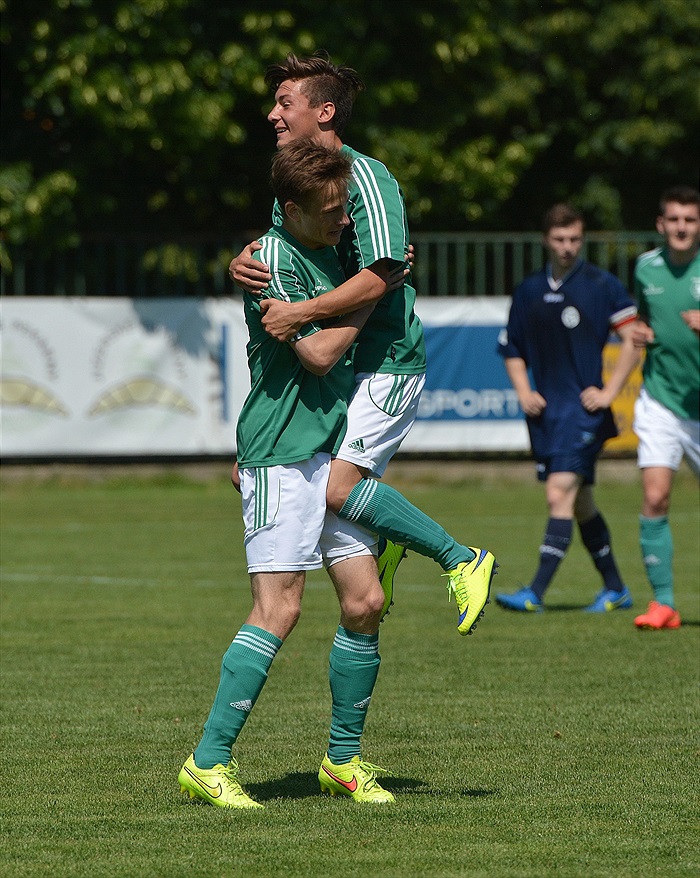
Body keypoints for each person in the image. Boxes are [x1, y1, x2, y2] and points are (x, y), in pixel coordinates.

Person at [229, 52, 497, 636]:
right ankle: (388, 541)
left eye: (285, 103)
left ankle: (463, 558)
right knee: (356, 586)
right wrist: (242, 264)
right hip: (337, 366)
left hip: (385, 361)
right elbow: (280, 251)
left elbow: (384, 273)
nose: (272, 114)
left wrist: (302, 311)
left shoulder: (367, 178)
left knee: (337, 484)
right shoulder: (296, 186)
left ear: (324, 112)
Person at [179, 139, 410, 809]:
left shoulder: (330, 249)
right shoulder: (269, 258)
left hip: (326, 451)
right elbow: (316, 352)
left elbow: (370, 265)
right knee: (279, 609)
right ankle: (208, 760)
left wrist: (376, 273)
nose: (344, 222)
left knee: (366, 602)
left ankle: (343, 760)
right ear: (290, 210)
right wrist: (378, 292)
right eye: (331, 212)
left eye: (344, 209)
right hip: (280, 451)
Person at [495, 203, 640, 613]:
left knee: (559, 491)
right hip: (546, 413)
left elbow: (634, 338)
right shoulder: (528, 290)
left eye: (575, 239)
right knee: (580, 503)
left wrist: (610, 392)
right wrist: (524, 390)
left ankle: (535, 593)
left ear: (583, 239)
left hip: (583, 412)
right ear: (546, 240)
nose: (567, 247)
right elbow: (512, 349)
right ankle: (616, 589)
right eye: (559, 239)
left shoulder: (601, 285)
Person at [631, 185, 700, 631]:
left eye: (690, 220)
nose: (681, 227)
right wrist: (640, 332)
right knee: (655, 497)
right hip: (660, 401)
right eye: (673, 219)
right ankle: (664, 604)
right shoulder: (645, 268)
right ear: (661, 224)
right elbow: (641, 317)